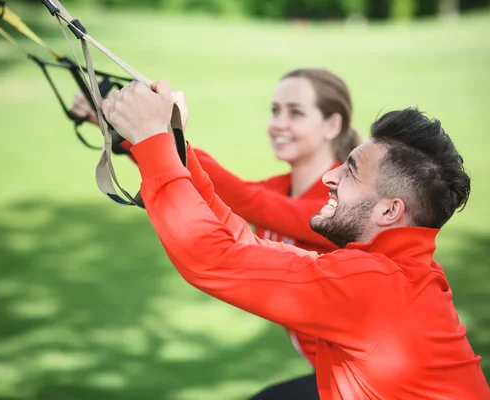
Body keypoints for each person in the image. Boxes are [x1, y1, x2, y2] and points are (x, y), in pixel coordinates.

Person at [98, 79, 490, 399]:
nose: (329, 177)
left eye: (350, 172)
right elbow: (240, 246)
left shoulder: (374, 285)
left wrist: (152, 140)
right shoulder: (387, 273)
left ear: (390, 211)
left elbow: (212, 258)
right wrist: (170, 138)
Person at [71, 68, 361, 398]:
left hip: (370, 381)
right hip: (332, 374)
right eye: (275, 110)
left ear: (332, 125)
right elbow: (205, 192)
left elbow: (240, 197)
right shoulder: (278, 190)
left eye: (295, 112)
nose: (279, 123)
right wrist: (129, 133)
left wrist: (157, 134)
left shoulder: (343, 203)